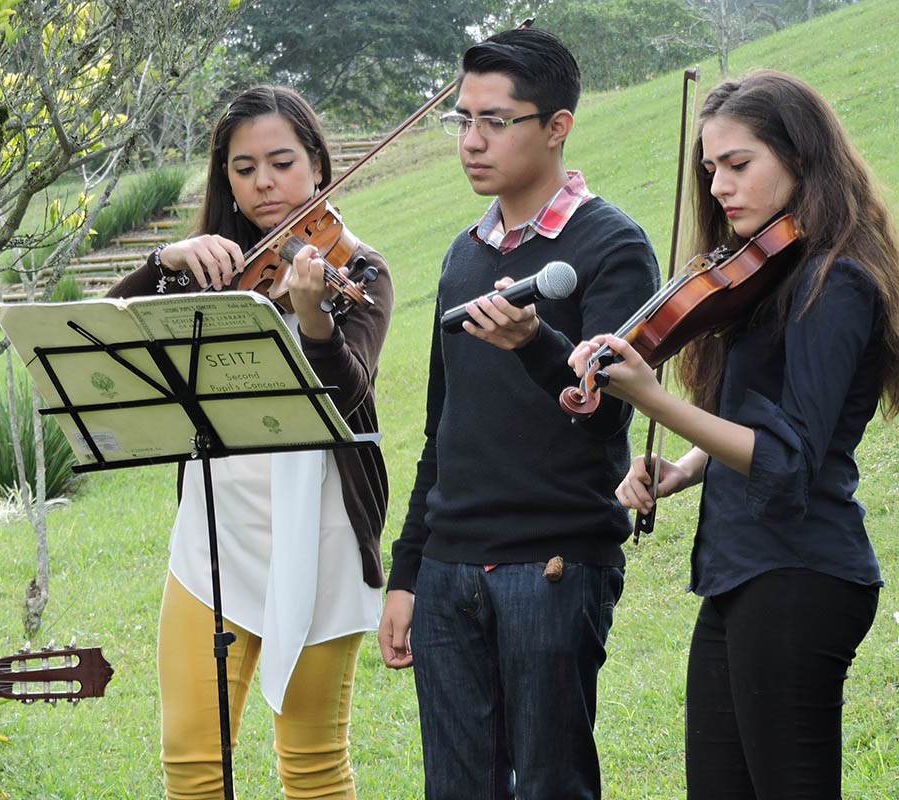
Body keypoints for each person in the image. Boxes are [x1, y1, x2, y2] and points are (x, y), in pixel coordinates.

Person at [569, 70, 899, 798]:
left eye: (739, 164)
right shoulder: (773, 275)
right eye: (710, 168)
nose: (719, 186)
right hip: (743, 572)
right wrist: (685, 467)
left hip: (799, 572)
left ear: (802, 159)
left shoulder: (835, 283)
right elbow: (763, 417)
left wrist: (653, 399)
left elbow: (789, 460)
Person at [377, 28, 660, 799]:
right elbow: (443, 427)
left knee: (549, 786)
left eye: (495, 121)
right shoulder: (463, 254)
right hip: (447, 570)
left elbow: (608, 420)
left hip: (554, 566)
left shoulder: (613, 246)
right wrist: (408, 572)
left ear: (557, 126)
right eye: (461, 120)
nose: (471, 141)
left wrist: (537, 345)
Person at [107, 85, 393, 799]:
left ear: (320, 167)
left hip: (320, 533)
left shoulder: (358, 268)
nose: (264, 183)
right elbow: (107, 335)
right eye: (243, 168)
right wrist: (165, 259)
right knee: (193, 763)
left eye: (282, 162)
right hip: (213, 535)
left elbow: (349, 394)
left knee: (314, 766)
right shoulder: (211, 270)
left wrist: (314, 320)